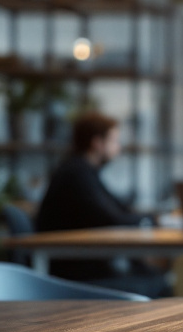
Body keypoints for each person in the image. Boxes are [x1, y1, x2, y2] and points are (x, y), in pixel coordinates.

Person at [35, 112, 152, 285]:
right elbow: (111, 218)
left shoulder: (84, 171)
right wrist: (148, 220)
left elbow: (117, 208)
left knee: (150, 275)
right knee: (155, 283)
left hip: (86, 265)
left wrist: (148, 219)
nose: (118, 148)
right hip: (75, 274)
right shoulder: (77, 174)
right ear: (97, 143)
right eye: (114, 141)